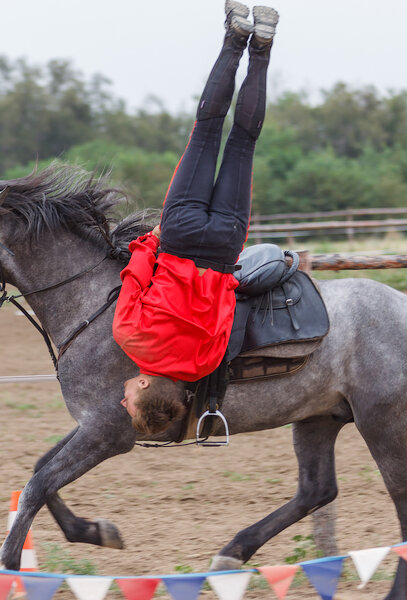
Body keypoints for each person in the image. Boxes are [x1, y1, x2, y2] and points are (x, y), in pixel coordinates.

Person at [113, 1, 278, 435]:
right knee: (207, 127)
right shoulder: (129, 337)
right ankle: (234, 36)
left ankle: (261, 47)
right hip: (180, 235)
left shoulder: (206, 362)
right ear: (145, 383)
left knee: (244, 142)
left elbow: (228, 308)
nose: (123, 397)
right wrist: (150, 240)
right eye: (129, 401)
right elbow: (135, 275)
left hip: (225, 245)